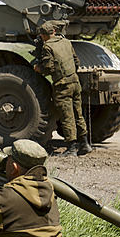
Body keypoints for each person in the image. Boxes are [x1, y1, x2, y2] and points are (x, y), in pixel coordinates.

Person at [34, 22, 92, 156]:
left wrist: (39, 69)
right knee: (78, 113)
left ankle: (71, 148)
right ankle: (85, 144)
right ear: (54, 31)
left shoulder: (48, 46)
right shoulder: (65, 42)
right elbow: (76, 61)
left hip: (62, 85)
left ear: (43, 35)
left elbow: (49, 68)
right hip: (75, 82)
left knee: (67, 116)